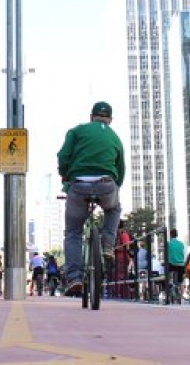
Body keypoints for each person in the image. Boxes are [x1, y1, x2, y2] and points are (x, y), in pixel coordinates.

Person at [57, 101, 125, 297]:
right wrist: (115, 186)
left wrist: (65, 175)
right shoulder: (115, 138)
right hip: (106, 184)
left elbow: (63, 156)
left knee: (73, 232)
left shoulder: (77, 131)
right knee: (114, 209)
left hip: (78, 185)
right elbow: (120, 169)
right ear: (110, 119)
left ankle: (74, 277)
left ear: (91, 116)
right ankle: (107, 246)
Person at [166, 229, 186, 303]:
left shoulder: (168, 244)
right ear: (177, 235)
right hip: (181, 265)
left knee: (168, 277)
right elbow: (184, 254)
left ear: (170, 235)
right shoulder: (181, 244)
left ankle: (171, 285)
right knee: (180, 282)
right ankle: (181, 296)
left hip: (171, 264)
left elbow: (166, 254)